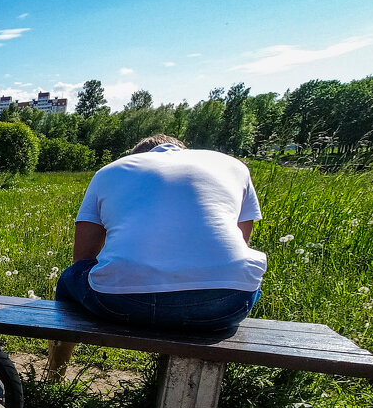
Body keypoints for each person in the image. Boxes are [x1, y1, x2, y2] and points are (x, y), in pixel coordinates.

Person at [46, 134, 266, 380]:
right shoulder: (233, 166)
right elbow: (241, 245)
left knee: (70, 278)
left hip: (119, 305)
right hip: (226, 306)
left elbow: (83, 258)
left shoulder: (110, 171)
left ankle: (55, 373)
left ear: (136, 157)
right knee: (240, 276)